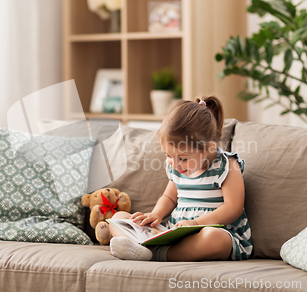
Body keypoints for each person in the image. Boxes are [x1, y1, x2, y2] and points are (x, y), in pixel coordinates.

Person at [105, 95, 252, 262]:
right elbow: (169, 197)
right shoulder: (176, 167)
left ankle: (156, 254)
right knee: (117, 219)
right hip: (175, 232)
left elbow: (233, 208)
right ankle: (145, 247)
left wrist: (197, 223)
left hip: (212, 232)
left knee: (214, 238)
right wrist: (156, 214)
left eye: (183, 158)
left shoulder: (227, 165)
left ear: (209, 148)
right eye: (168, 155)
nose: (175, 164)